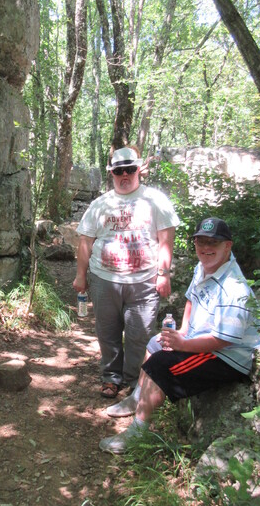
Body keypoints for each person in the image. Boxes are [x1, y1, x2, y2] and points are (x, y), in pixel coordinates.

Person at [100, 217, 260, 454]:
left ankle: (137, 432)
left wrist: (184, 344)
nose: (206, 248)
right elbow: (191, 299)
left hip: (227, 356)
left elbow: (224, 340)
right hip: (205, 339)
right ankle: (137, 398)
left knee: (161, 365)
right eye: (201, 242)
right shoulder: (205, 268)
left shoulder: (234, 289)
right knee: (156, 343)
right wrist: (184, 330)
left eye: (213, 243)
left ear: (227, 246)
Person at [73, 146, 180, 398]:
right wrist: (81, 275)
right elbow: (85, 242)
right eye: (119, 170)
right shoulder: (100, 204)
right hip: (104, 279)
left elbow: (166, 240)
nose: (125, 174)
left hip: (144, 281)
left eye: (130, 169)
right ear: (111, 173)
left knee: (139, 334)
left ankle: (134, 381)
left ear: (138, 170)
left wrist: (164, 274)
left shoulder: (156, 200)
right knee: (107, 332)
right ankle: (111, 377)